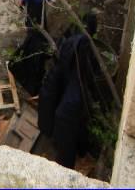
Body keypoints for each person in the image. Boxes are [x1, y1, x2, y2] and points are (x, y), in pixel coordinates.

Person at [38, 13, 100, 169]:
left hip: (65, 82)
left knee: (62, 114)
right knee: (66, 119)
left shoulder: (73, 40)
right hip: (69, 88)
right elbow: (92, 72)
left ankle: (55, 139)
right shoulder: (83, 45)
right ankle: (64, 155)